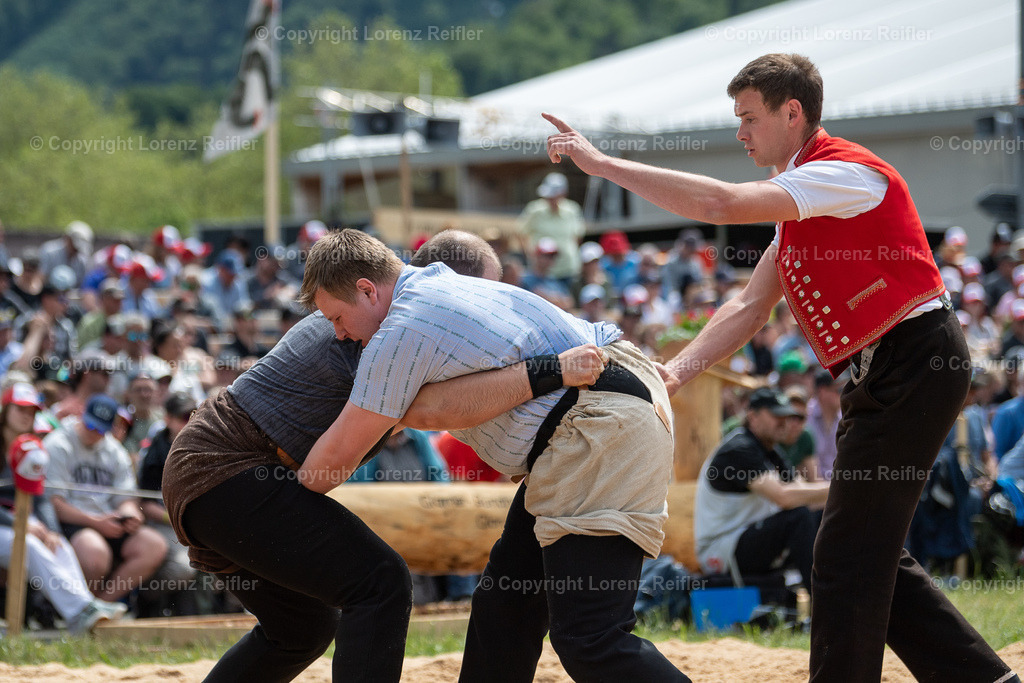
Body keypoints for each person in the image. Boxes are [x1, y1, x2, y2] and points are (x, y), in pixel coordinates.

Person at [544, 53, 1016, 682]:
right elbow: (746, 305)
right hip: (891, 373)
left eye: (749, 118)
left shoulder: (845, 174)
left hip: (911, 363)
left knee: (846, 556)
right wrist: (676, 371)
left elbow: (719, 202)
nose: (740, 132)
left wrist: (600, 165)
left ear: (792, 112)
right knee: (866, 555)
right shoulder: (807, 200)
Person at [162, 230, 605, 683]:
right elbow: (436, 408)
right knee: (380, 583)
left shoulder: (386, 322)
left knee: (300, 628)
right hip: (223, 470)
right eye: (483, 295)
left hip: (213, 470)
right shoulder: (388, 333)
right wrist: (551, 371)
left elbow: (458, 403)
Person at [297, 229, 685, 683]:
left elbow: (326, 468)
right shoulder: (437, 282)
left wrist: (267, 486)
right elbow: (427, 407)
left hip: (596, 429)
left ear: (367, 290)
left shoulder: (400, 331)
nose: (340, 335)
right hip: (595, 418)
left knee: (592, 638)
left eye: (338, 318)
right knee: (506, 604)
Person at [695, 388, 826, 590]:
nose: (784, 421)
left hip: (743, 541)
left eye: (787, 415)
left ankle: (835, 594)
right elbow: (783, 497)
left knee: (820, 515)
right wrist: (844, 488)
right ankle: (821, 603)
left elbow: (807, 495)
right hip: (720, 550)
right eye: (776, 414)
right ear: (752, 416)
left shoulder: (770, 450)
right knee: (798, 517)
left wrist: (850, 494)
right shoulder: (739, 448)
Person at [44, 394, 168, 602]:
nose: (93, 433)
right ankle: (81, 608)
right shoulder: (58, 444)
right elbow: (54, 504)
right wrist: (96, 523)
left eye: (100, 429)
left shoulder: (114, 451)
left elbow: (126, 498)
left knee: (154, 545)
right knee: (95, 554)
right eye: (90, 425)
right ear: (82, 415)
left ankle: (101, 605)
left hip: (108, 519)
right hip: (71, 521)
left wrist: (129, 515)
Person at [518, 172, 585, 289]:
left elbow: (577, 236)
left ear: (563, 194)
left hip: (568, 269)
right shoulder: (535, 210)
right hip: (541, 273)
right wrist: (531, 255)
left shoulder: (572, 210)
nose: (550, 199)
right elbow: (520, 234)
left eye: (553, 195)